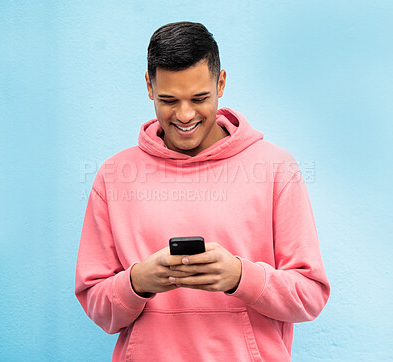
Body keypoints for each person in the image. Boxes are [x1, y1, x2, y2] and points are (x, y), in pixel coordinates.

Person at [75, 21, 330, 361]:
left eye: (199, 98)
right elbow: (97, 305)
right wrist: (137, 282)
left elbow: (310, 297)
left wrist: (240, 276)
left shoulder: (276, 168)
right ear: (149, 86)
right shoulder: (113, 176)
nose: (184, 115)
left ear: (221, 83)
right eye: (168, 100)